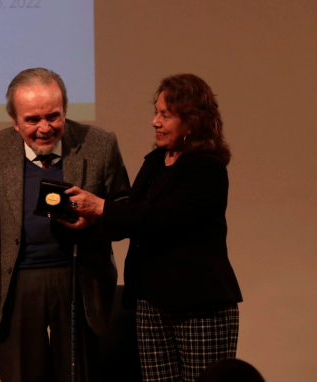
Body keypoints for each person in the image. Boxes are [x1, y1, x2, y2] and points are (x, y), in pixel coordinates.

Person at [0, 68, 130, 382]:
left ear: (65, 110)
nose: (45, 128)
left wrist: (93, 219)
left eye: (54, 116)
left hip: (79, 278)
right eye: (32, 120)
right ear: (14, 120)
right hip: (16, 283)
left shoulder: (99, 144)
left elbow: (125, 212)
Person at [64, 73, 243, 382]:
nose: (154, 122)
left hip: (198, 304)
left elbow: (162, 219)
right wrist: (91, 220)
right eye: (156, 112)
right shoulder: (157, 161)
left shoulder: (207, 167)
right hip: (151, 301)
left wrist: (102, 206)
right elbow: (132, 216)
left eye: (165, 115)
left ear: (193, 121)